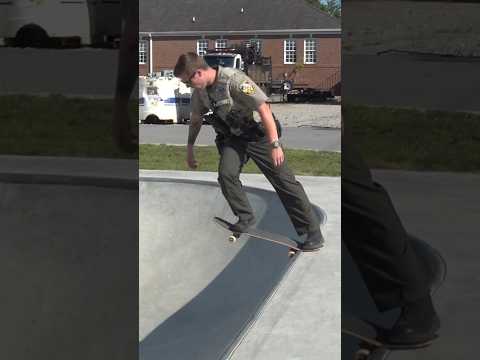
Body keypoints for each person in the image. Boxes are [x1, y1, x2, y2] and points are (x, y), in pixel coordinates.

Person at [174, 52, 324, 251]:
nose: (189, 87)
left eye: (188, 82)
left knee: (284, 181)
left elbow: (264, 109)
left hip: (258, 135)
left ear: (198, 74)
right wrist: (190, 149)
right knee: (226, 174)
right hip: (235, 138)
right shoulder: (201, 92)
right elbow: (195, 119)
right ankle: (245, 217)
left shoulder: (233, 80)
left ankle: (312, 232)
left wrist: (275, 145)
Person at [342, 123, 441, 345]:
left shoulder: (247, 86)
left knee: (358, 202)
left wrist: (273, 141)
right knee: (354, 206)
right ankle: (414, 303)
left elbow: (260, 102)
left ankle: (418, 308)